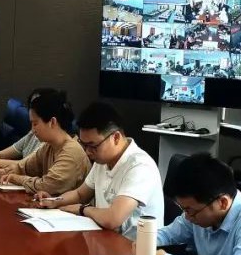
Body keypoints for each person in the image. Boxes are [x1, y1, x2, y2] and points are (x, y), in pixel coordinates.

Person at [34, 101, 162, 238]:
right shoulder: (102, 160)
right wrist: (55, 201)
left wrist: (83, 209)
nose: (88, 152)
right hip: (105, 239)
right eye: (84, 145)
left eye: (93, 145)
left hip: (134, 247)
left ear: (116, 137)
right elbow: (80, 194)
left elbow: (113, 219)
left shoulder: (140, 166)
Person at [0, 91, 89, 195]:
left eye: (35, 123)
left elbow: (47, 186)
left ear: (52, 122)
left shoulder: (72, 152)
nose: (32, 130)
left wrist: (16, 178)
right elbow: (22, 168)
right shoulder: (48, 146)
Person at [0, 87, 56, 169]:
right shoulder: (33, 133)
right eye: (32, 106)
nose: (35, 109)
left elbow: (23, 165)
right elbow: (2, 155)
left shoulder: (48, 142)